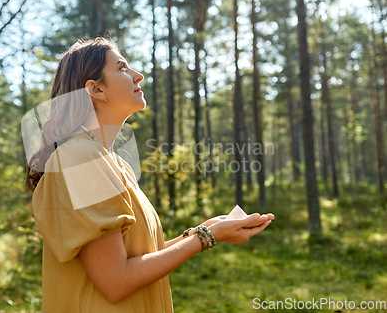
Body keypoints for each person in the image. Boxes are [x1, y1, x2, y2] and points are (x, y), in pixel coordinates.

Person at [25, 36, 275, 313]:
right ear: (96, 89)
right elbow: (115, 280)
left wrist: (205, 229)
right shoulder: (79, 159)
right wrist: (207, 237)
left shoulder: (113, 163)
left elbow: (135, 258)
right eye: (122, 68)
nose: (138, 75)